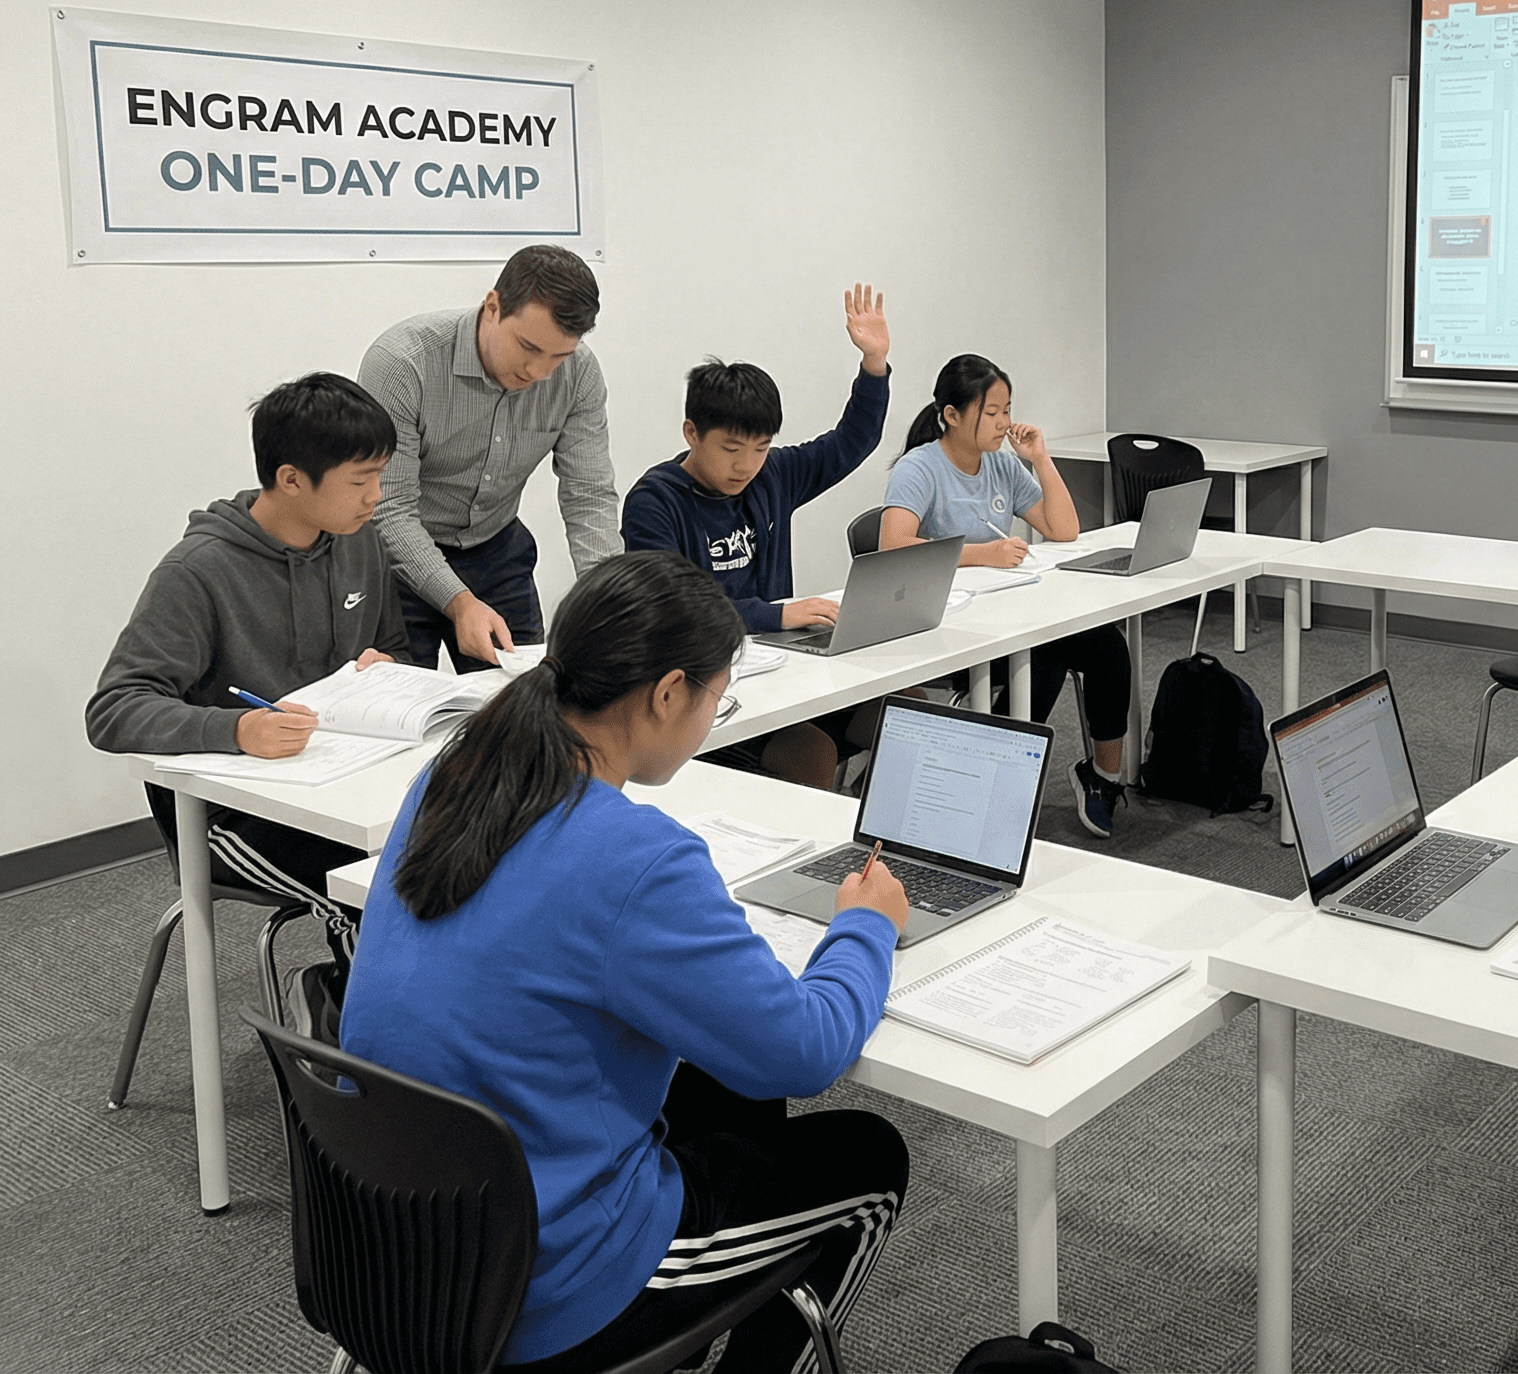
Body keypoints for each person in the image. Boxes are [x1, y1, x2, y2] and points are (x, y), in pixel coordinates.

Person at [341, 551, 911, 1373]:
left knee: (724, 1085)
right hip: (546, 1282)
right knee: (869, 1159)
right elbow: (806, 1053)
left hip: (398, 1241)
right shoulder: (635, 857)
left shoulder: (455, 774)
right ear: (669, 693)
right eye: (717, 698)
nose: (713, 718)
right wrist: (865, 927)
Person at [87, 373, 410, 970]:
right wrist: (236, 730)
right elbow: (114, 709)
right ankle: (356, 1023)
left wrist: (387, 670)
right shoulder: (197, 572)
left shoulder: (359, 542)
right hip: (228, 817)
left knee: (466, 851)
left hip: (342, 785)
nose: (376, 496)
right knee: (381, 896)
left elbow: (392, 646)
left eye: (380, 476)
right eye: (360, 480)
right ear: (291, 479)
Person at [622, 285, 893, 788]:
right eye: (731, 449)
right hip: (701, 687)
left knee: (901, 710)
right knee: (810, 752)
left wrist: (873, 365)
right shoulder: (655, 502)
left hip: (780, 666)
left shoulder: (772, 476)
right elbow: (671, 614)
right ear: (691, 433)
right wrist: (777, 614)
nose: (745, 465)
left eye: (760, 447)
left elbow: (851, 442)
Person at [881, 355, 1132, 838]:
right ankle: (984, 775)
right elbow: (893, 546)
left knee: (1106, 645)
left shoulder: (1000, 464)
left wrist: (1040, 459)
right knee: (1043, 655)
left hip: (1008, 616)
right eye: (991, 412)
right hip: (947, 629)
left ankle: (1102, 777)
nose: (1004, 423)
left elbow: (1064, 529)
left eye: (1007, 410)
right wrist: (982, 554)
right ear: (952, 415)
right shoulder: (920, 468)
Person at [360, 244, 620, 671]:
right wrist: (459, 602)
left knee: (522, 695)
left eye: (558, 357)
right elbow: (389, 507)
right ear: (493, 306)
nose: (538, 372)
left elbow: (588, 494)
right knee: (405, 698)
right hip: (396, 557)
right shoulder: (404, 364)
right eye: (528, 347)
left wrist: (609, 597)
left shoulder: (579, 374)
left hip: (497, 550)